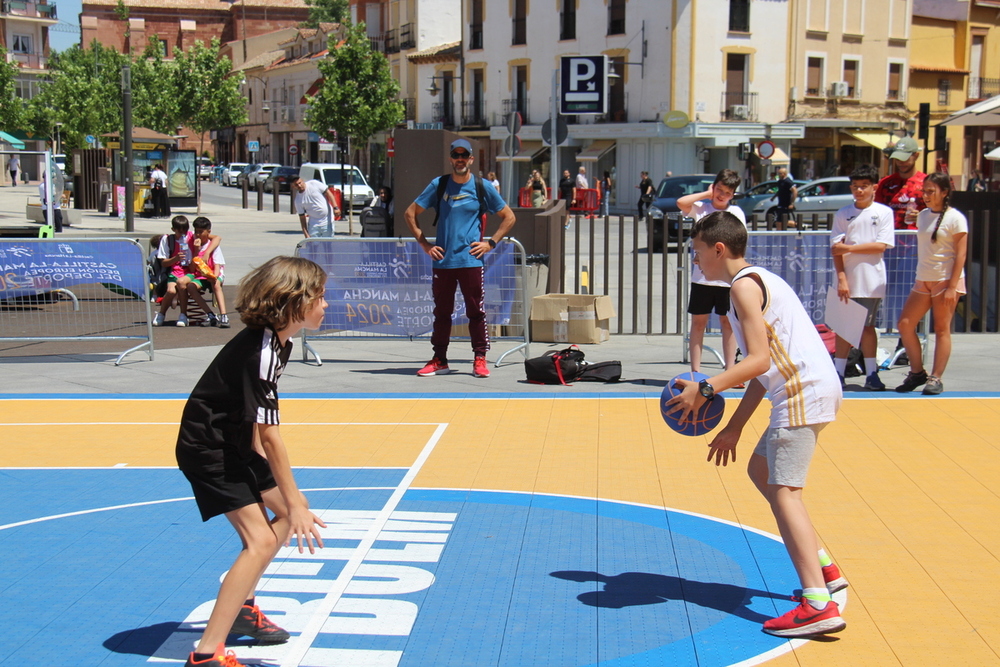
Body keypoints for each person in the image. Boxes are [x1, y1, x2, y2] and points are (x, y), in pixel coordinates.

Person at [666, 210, 847, 639]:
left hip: (802, 392)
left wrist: (706, 388)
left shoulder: (743, 288)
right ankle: (826, 570)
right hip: (807, 388)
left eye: (697, 253)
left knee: (785, 493)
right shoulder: (757, 281)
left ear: (719, 248)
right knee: (761, 471)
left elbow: (759, 362)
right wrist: (735, 426)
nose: (697, 262)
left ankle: (818, 603)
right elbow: (757, 372)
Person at [176, 256, 329, 667]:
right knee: (264, 537)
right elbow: (270, 434)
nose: (325, 305)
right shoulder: (259, 350)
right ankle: (207, 654)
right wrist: (293, 500)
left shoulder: (282, 342)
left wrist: (285, 498)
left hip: (236, 443)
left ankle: (242, 610)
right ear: (294, 302)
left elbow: (254, 422)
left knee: (288, 516)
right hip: (209, 448)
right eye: (320, 297)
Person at [403, 138, 516, 379]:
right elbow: (410, 213)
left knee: (476, 312)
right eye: (456, 155)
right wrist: (424, 244)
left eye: (465, 155)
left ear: (471, 159)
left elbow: (508, 216)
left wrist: (491, 243)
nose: (460, 159)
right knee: (442, 313)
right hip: (443, 262)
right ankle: (439, 359)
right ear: (451, 159)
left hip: (471, 262)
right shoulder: (439, 185)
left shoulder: (481, 186)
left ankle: (479, 358)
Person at [895, 172, 968, 395]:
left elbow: (961, 254)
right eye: (924, 191)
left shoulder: (956, 218)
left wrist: (952, 287)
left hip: (945, 279)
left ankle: (936, 378)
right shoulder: (924, 215)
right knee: (905, 324)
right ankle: (917, 372)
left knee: (941, 329)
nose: (926, 195)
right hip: (923, 277)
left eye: (931, 191)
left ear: (944, 192)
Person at [830, 164, 895, 390]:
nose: (859, 191)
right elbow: (835, 249)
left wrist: (850, 248)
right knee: (844, 327)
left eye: (864, 187)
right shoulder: (843, 213)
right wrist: (842, 278)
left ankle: (872, 374)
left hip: (872, 280)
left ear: (874, 187)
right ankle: (838, 373)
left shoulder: (884, 213)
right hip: (849, 279)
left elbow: (880, 246)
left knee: (868, 327)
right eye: (856, 187)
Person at [677, 169, 746, 379]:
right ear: (713, 187)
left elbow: (738, 243)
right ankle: (695, 373)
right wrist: (705, 195)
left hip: (725, 279)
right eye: (719, 190)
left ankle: (730, 371)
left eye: (727, 192)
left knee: (728, 323)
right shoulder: (701, 208)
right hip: (702, 278)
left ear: (733, 194)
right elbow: (681, 202)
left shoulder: (736, 214)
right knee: (698, 322)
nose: (721, 195)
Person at [875, 136, 925, 230]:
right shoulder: (885, 183)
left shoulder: (926, 183)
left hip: (918, 239)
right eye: (897, 159)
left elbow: (938, 214)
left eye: (905, 159)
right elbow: (876, 211)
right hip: (889, 239)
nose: (901, 162)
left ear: (916, 156)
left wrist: (923, 218)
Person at [188, 216, 230, 328]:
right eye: (196, 232)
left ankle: (224, 315)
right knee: (191, 287)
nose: (198, 235)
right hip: (201, 276)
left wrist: (214, 276)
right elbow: (192, 269)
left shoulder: (212, 245)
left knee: (215, 284)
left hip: (214, 274)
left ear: (208, 232)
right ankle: (210, 314)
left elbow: (217, 264)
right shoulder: (193, 245)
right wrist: (196, 251)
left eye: (201, 232)